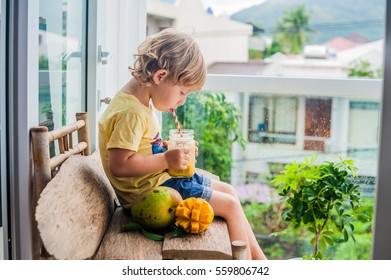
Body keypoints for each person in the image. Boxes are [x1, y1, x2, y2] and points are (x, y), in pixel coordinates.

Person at [98, 28, 267, 260]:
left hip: (161, 182)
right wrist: (167, 159)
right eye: (182, 92)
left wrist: (168, 149)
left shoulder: (138, 104)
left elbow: (141, 148)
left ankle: (261, 260)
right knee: (229, 206)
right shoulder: (131, 112)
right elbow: (120, 165)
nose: (181, 101)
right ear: (160, 76)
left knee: (229, 190)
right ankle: (247, 265)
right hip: (152, 196)